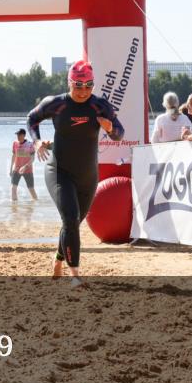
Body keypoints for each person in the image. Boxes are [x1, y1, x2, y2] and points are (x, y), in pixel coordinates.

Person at [27, 60, 124, 287]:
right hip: (59, 171)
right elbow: (32, 119)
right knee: (70, 218)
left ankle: (58, 261)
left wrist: (110, 129)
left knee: (72, 224)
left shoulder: (100, 106)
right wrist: (37, 141)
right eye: (78, 85)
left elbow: (119, 133)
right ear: (69, 83)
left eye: (88, 85)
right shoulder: (56, 104)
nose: (83, 91)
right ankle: (75, 276)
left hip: (88, 176)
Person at [10, 128, 38, 201]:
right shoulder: (15, 143)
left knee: (31, 189)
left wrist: (25, 166)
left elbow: (33, 158)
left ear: (24, 135)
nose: (18, 136)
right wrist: (11, 168)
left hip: (28, 170)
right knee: (13, 188)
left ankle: (36, 203)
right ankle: (14, 208)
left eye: (19, 135)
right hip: (16, 169)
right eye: (17, 135)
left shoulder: (30, 144)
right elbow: (14, 156)